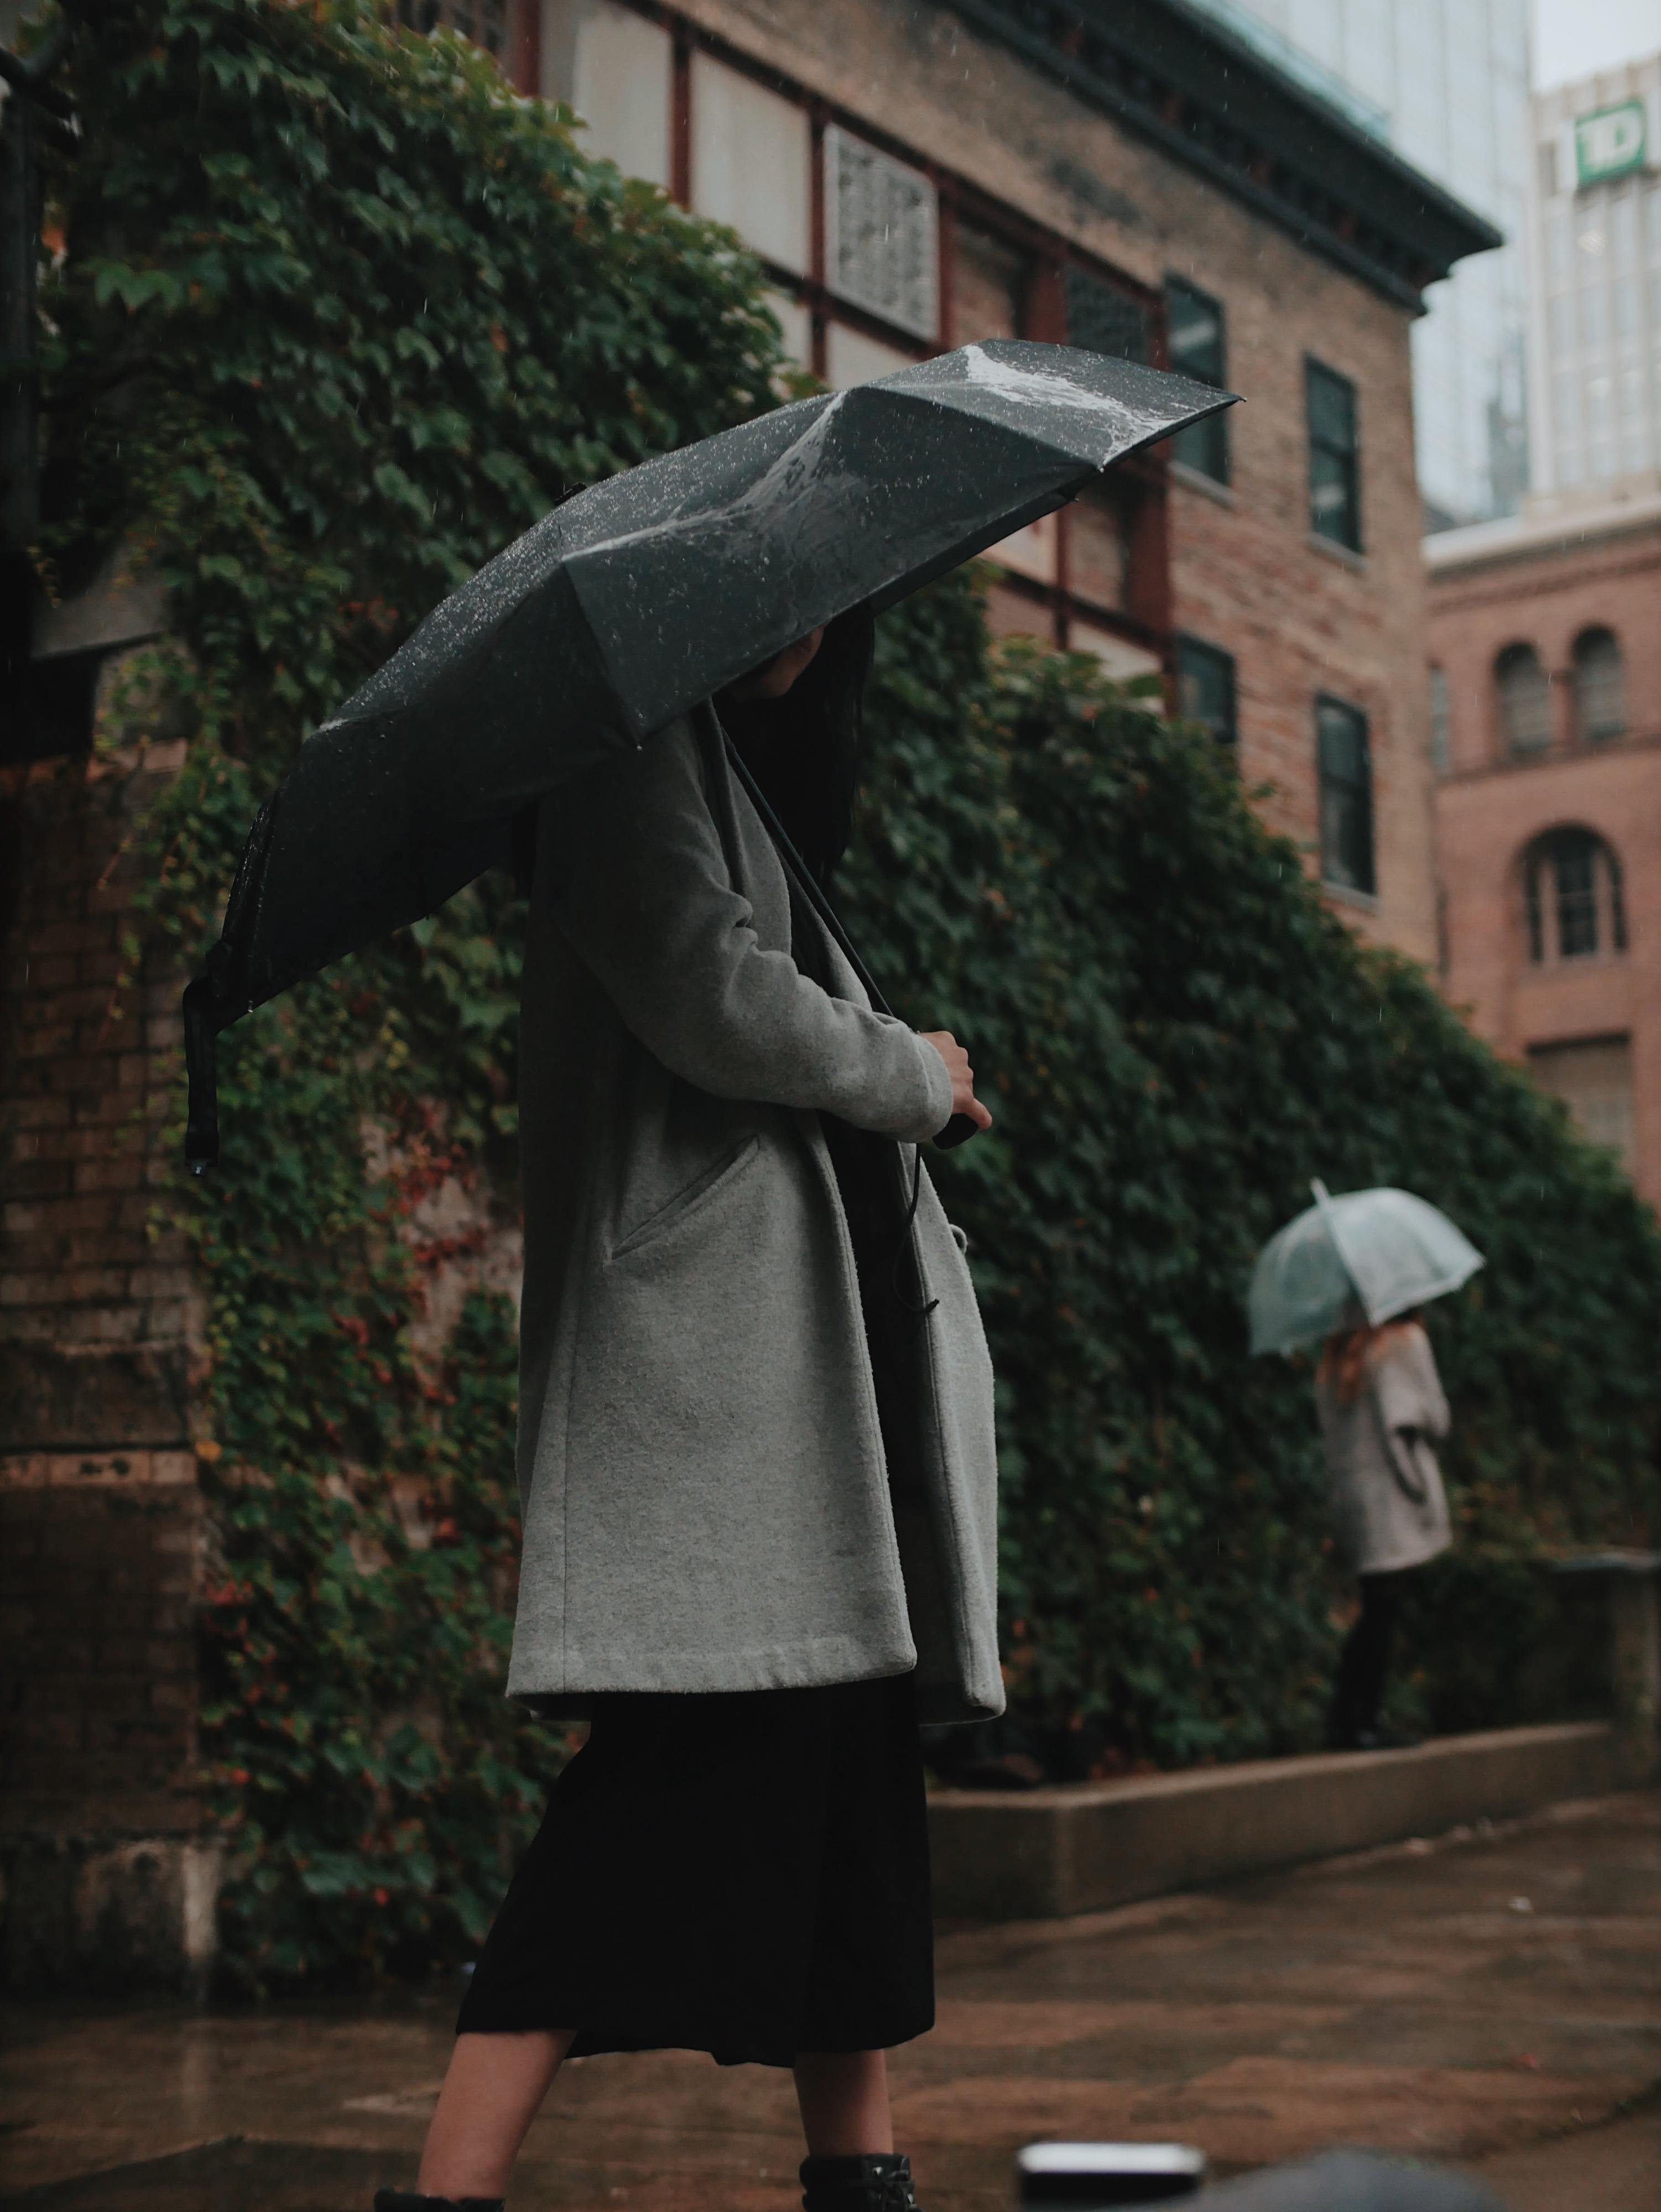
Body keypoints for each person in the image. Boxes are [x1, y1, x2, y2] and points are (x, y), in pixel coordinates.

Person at [376, 611, 1003, 2212]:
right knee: (668, 1785)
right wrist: (913, 1070)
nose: (802, 632)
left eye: (824, 605)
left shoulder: (742, 768)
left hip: (810, 1370)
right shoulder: (626, 756)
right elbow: (710, 995)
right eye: (772, 604)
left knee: (850, 1793)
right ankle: (444, 2198)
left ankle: (858, 2180)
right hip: (722, 1372)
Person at [1315, 1310, 1451, 1752]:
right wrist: (1417, 1488)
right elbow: (1425, 1420)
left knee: (1375, 1607)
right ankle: (1362, 1723)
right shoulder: (1403, 1342)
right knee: (1383, 1610)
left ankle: (1347, 1721)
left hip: (1354, 1500)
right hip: (1393, 1497)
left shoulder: (1335, 1353)